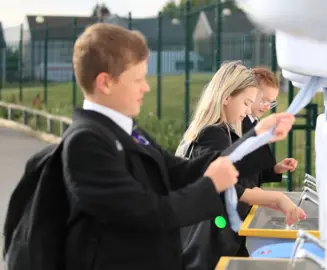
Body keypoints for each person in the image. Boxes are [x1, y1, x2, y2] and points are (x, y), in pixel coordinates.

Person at [63, 23, 296, 270]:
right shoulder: (86, 142)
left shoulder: (127, 131)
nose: (146, 87)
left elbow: (179, 170)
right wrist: (211, 185)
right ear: (105, 83)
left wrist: (257, 135)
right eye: (138, 79)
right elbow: (148, 212)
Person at [176, 61, 306, 268]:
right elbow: (221, 184)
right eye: (246, 103)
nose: (248, 112)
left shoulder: (224, 132)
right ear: (226, 97)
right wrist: (275, 198)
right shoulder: (214, 134)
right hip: (208, 244)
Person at [242, 67, 298, 187]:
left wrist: (276, 169)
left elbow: (254, 171)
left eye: (271, 102)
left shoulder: (254, 123)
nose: (267, 106)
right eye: (264, 100)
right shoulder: (239, 126)